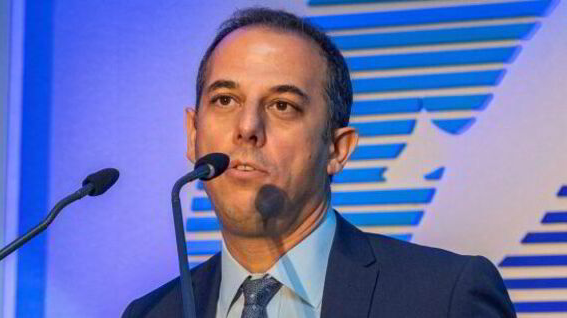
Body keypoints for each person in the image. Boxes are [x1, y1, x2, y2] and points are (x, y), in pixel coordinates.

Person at [123, 7, 515, 318]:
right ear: (194, 134)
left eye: (282, 105)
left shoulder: (444, 297)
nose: (247, 128)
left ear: (337, 149)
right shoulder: (153, 313)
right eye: (225, 100)